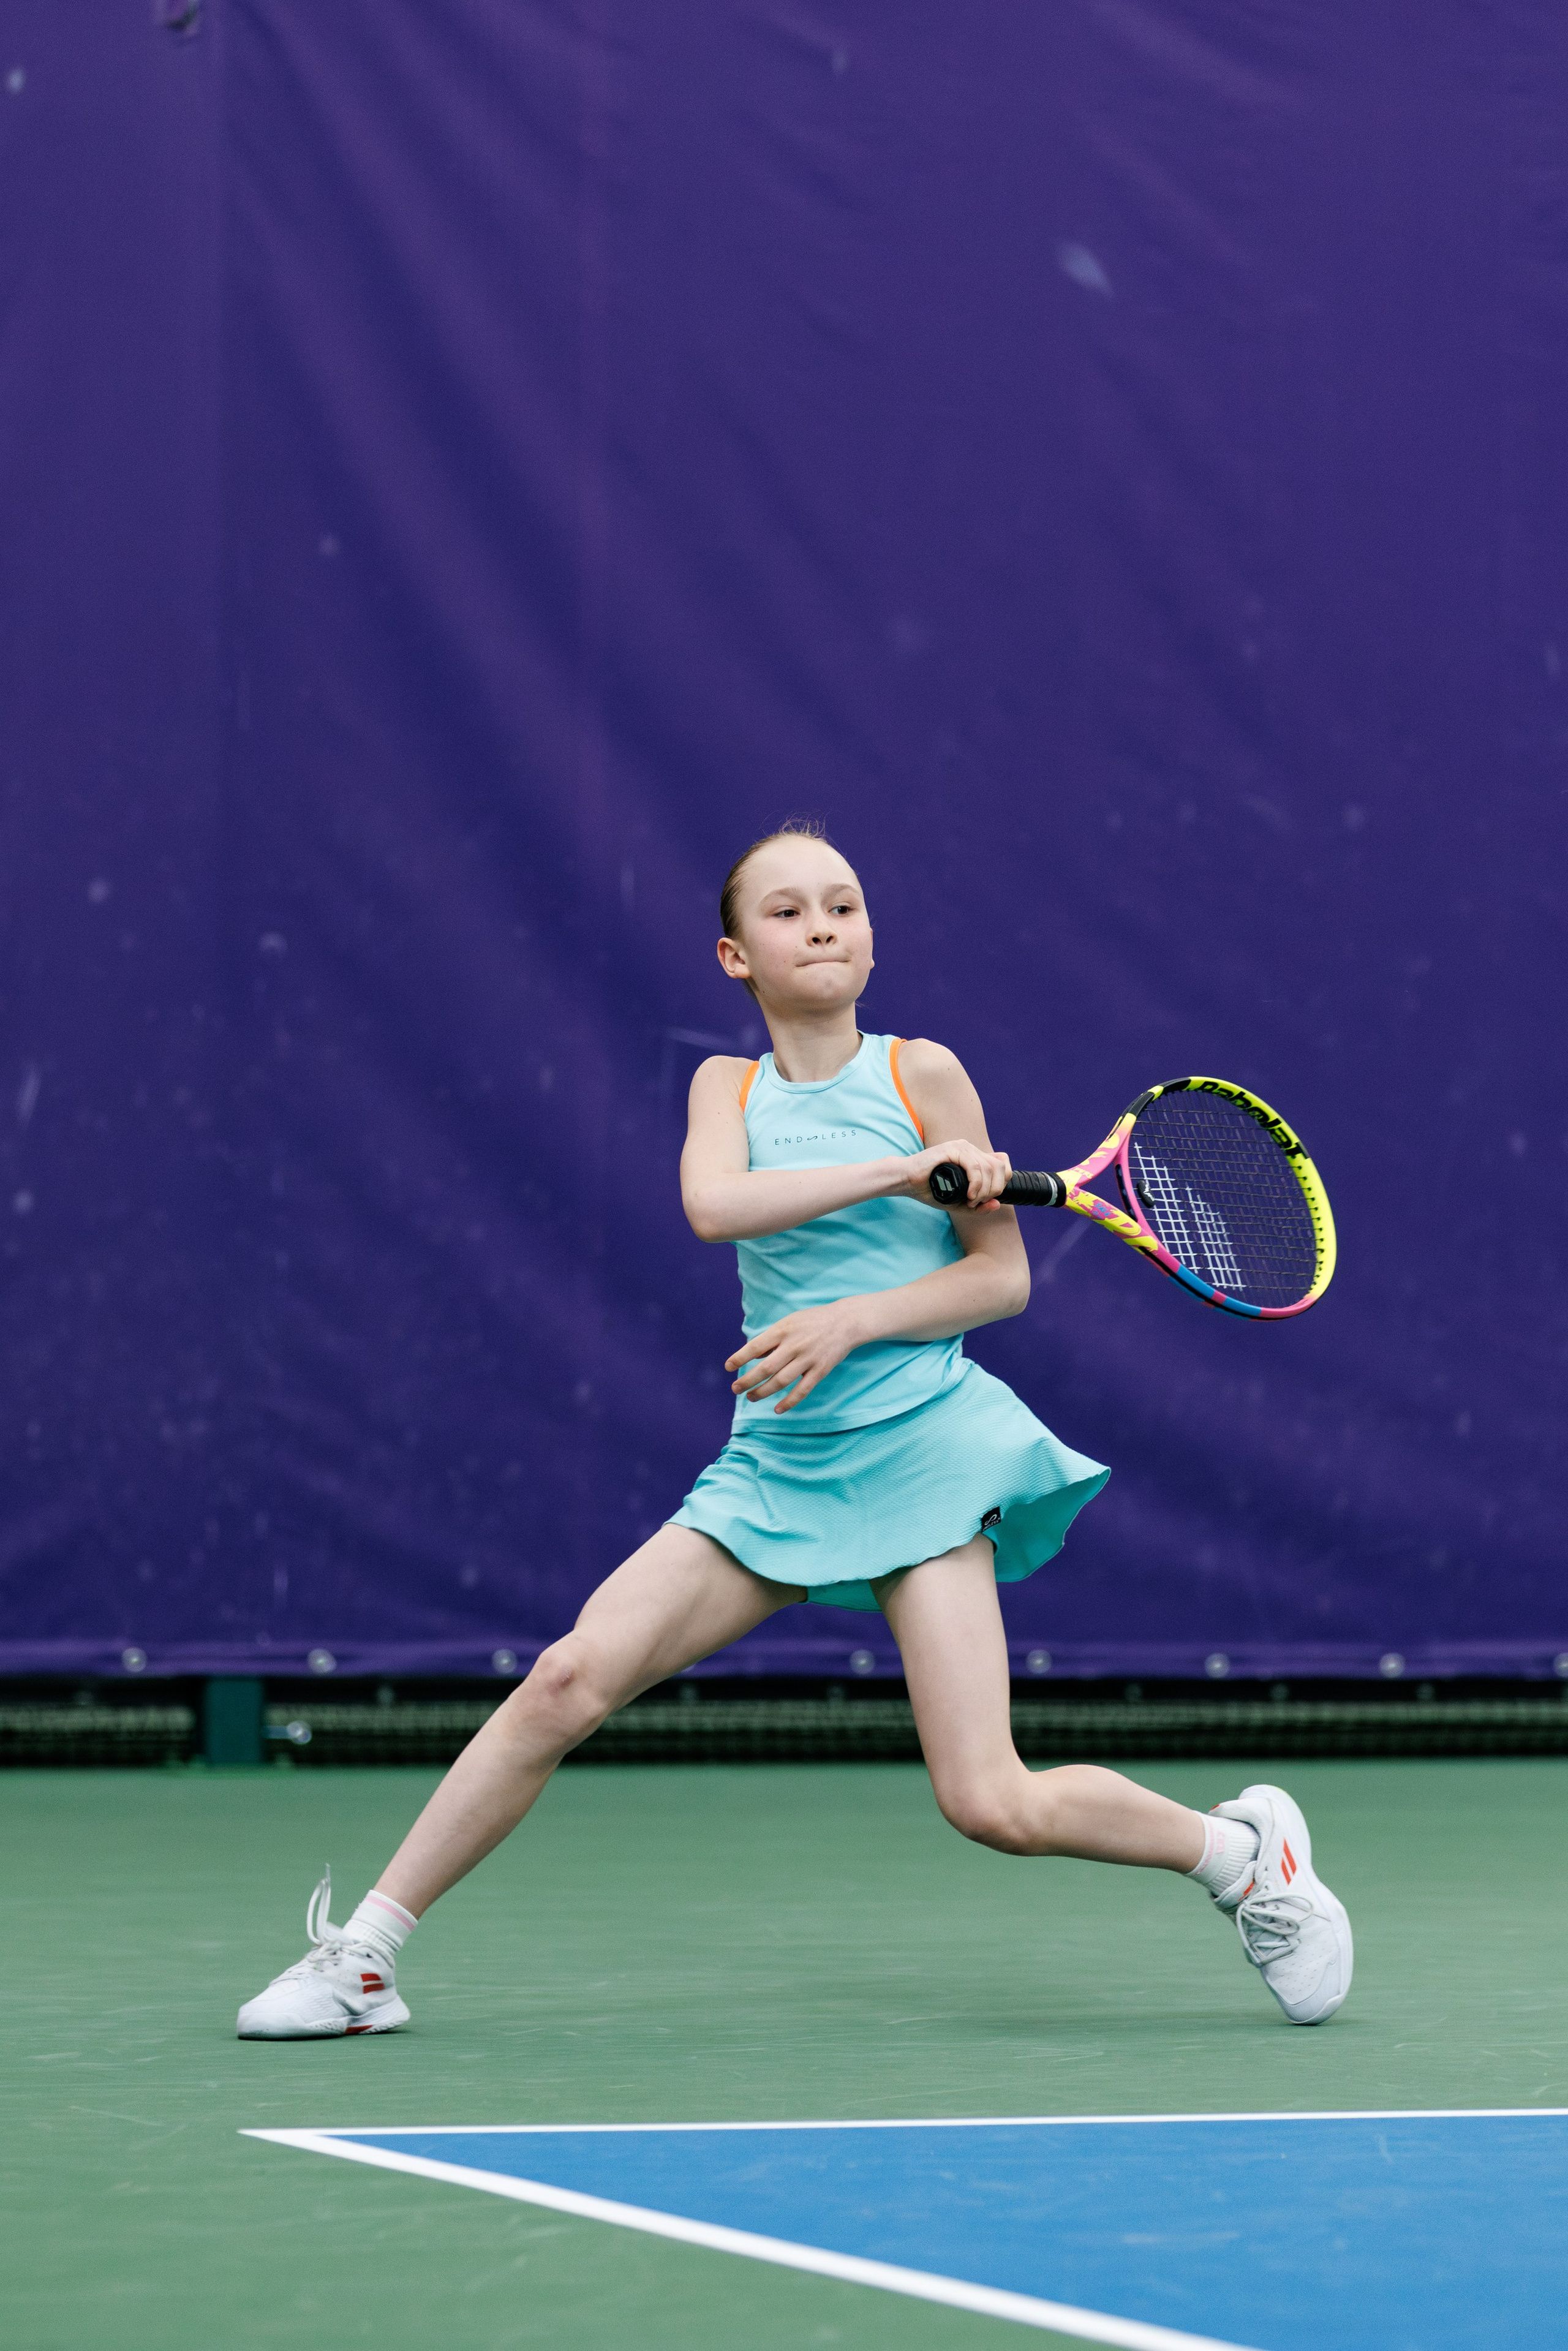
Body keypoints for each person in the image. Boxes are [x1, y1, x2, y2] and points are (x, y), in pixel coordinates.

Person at [237, 821, 1351, 2039]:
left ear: (868, 936)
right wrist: (891, 1178)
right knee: (568, 1676)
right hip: (779, 1464)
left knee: (989, 1800)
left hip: (924, 1446)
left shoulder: (922, 1073)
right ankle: (363, 1962)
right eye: (786, 911)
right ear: (733, 956)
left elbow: (999, 1281)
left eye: (842, 904)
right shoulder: (728, 1086)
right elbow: (712, 1204)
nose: (820, 924)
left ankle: (1244, 1860)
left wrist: (857, 1315)